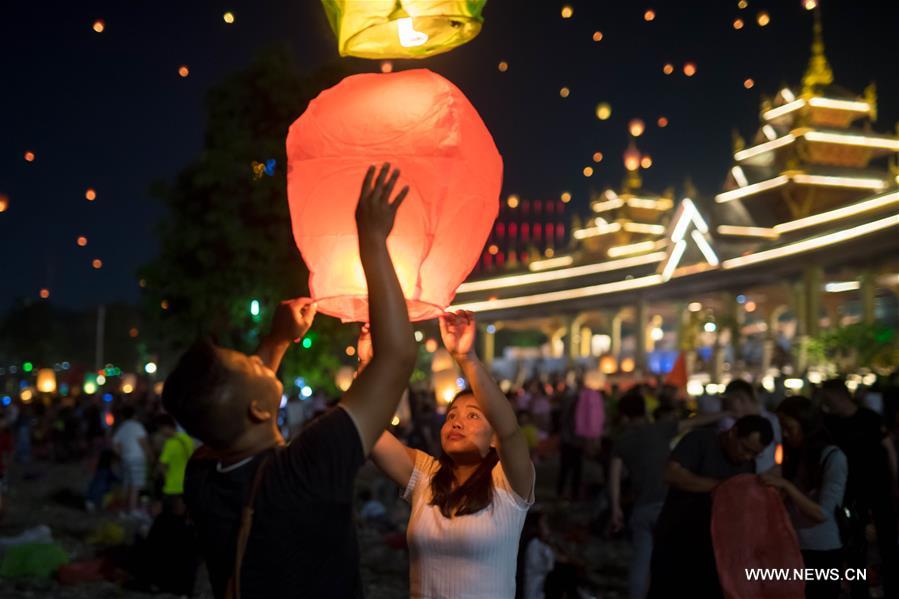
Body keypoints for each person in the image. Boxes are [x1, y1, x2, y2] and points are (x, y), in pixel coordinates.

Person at [165, 163, 416, 599]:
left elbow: (232, 407)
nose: (260, 361)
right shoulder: (305, 468)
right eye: (253, 365)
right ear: (258, 410)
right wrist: (373, 243)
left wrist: (276, 342)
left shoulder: (203, 477)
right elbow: (397, 357)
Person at [366, 310, 535, 598]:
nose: (457, 422)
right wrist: (368, 365)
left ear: (494, 437)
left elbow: (509, 430)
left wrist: (466, 358)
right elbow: (367, 429)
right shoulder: (426, 476)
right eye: (452, 415)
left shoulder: (509, 483)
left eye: (473, 416)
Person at [609, 391, 731, 599]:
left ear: (624, 416)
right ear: (645, 411)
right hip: (669, 506)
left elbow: (614, 479)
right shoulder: (659, 429)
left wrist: (615, 510)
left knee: (641, 561)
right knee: (675, 561)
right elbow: (693, 423)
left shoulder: (621, 442)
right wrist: (726, 413)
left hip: (642, 508)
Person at [648, 415, 774, 599]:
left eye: (754, 454)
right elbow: (671, 475)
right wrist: (722, 487)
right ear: (733, 433)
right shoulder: (700, 440)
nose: (747, 456)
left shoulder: (747, 464)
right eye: (745, 449)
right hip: (678, 540)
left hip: (716, 550)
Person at [819, 378, 898, 599]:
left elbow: (887, 447)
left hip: (878, 489)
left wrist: (894, 480)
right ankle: (859, 590)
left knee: (887, 543)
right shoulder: (830, 423)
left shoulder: (869, 418)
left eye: (827, 398)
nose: (825, 403)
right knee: (856, 547)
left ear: (837, 396)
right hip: (851, 494)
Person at [761, 396, 847, 599]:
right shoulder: (794, 455)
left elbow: (822, 513)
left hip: (821, 551)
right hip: (792, 547)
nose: (784, 433)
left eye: (789, 426)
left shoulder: (833, 458)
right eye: (781, 427)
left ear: (806, 424)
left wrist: (787, 487)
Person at [722, 379, 782, 473]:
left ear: (739, 399)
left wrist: (773, 473)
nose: (727, 406)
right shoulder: (733, 421)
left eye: (728, 402)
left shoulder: (773, 421)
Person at [112, 404, 153, 516]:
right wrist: (150, 456)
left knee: (127, 484)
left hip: (126, 459)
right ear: (134, 415)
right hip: (137, 458)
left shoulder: (122, 427)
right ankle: (133, 509)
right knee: (136, 485)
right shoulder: (137, 426)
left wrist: (121, 454)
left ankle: (124, 509)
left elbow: (115, 444)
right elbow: (143, 442)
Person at [156, 414, 194, 514]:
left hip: (172, 486)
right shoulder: (187, 439)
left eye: (161, 429)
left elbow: (161, 465)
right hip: (186, 484)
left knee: (172, 516)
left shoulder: (170, 444)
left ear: (167, 427)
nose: (161, 432)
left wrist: (164, 476)